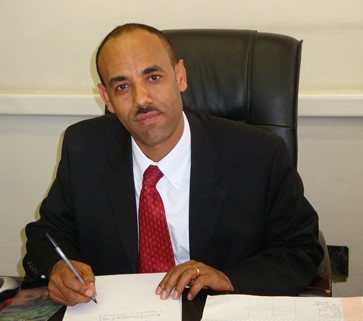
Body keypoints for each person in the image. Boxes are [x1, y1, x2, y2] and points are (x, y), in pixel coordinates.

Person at [23, 23, 323, 306]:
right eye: (122, 87)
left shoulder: (257, 153)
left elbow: (301, 249)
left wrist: (229, 278)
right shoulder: (84, 148)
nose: (142, 99)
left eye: (153, 77)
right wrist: (58, 268)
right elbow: (47, 233)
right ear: (107, 99)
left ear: (180, 76)